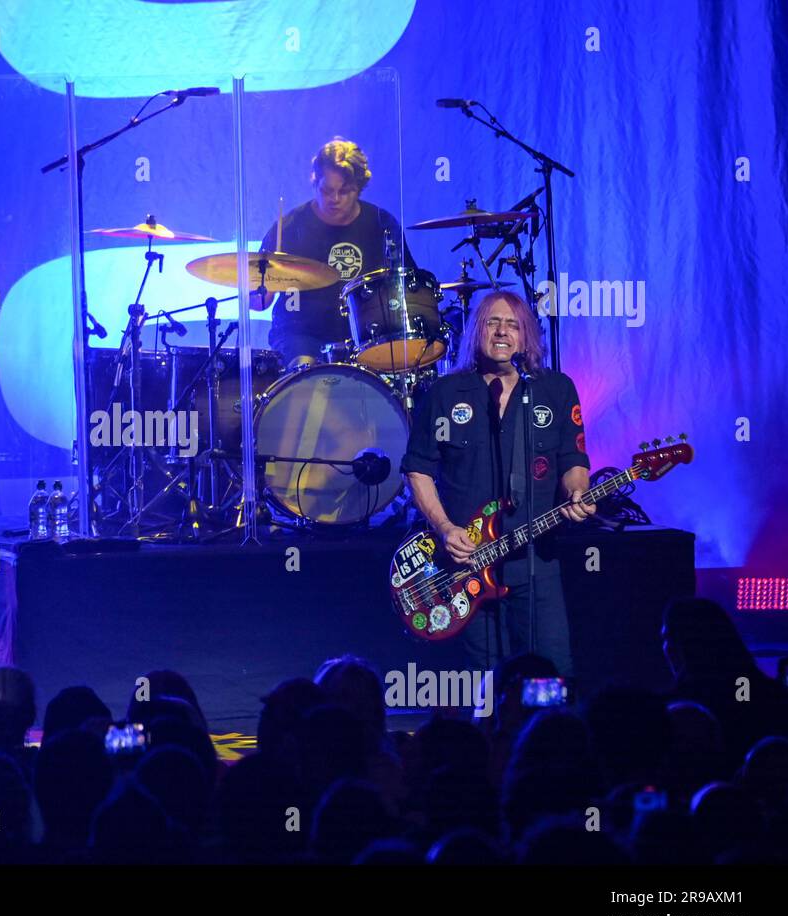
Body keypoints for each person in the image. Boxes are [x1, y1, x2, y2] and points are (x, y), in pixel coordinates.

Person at [400, 290, 593, 674]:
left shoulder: (554, 390)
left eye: (512, 324)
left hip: (536, 558)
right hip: (467, 564)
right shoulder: (445, 394)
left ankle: (546, 734)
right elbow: (417, 469)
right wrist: (444, 528)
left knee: (551, 673)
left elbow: (573, 459)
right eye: (493, 322)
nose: (502, 332)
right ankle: (491, 734)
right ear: (477, 332)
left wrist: (578, 490)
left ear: (526, 335)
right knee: (483, 682)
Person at [252, 138, 415, 367]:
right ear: (314, 182)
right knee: (305, 371)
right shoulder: (289, 227)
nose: (335, 199)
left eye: (345, 191)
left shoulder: (382, 223)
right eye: (326, 190)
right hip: (300, 334)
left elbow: (406, 286)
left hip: (366, 337)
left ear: (359, 188)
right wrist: (251, 289)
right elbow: (259, 302)